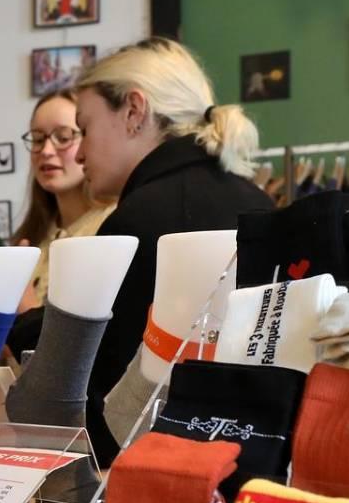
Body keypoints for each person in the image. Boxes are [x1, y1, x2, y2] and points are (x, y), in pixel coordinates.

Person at [74, 37, 272, 465]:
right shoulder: (256, 199)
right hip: (254, 464)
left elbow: (106, 394)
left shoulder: (136, 224)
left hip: (156, 472)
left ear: (133, 111)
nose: (78, 152)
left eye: (84, 128)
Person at [12, 90, 115, 309]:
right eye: (38, 139)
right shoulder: (31, 236)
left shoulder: (113, 226)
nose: (46, 151)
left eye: (64, 137)